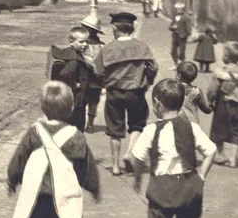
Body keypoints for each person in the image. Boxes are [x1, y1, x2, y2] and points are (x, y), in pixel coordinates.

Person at [7, 82, 101, 218]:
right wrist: (92, 186)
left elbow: (20, 156)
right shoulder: (76, 136)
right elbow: (86, 163)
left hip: (37, 187)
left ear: (43, 107)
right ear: (71, 109)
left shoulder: (35, 131)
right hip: (63, 189)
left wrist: (12, 177)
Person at [131, 79, 217, 218]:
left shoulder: (151, 131)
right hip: (190, 186)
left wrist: (137, 180)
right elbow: (211, 151)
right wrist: (202, 177)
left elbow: (138, 159)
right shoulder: (192, 127)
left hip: (162, 188)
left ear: (157, 104)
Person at [93, 11, 158, 176]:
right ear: (132, 28)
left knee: (114, 129)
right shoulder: (142, 47)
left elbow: (98, 71)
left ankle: (115, 167)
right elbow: (153, 68)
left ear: (115, 28)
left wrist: (106, 82)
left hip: (114, 93)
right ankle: (129, 153)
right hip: (136, 92)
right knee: (137, 124)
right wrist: (147, 81)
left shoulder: (107, 49)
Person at [209, 41, 238, 168]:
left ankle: (220, 154)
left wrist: (210, 100)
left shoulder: (220, 72)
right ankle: (233, 159)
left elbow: (212, 90)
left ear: (227, 55)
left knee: (218, 130)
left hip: (223, 106)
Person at [47, 26, 90, 131]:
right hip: (75, 99)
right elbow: (64, 74)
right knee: (76, 128)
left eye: (86, 42)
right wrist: (74, 83)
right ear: (71, 42)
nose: (85, 44)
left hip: (66, 99)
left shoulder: (67, 53)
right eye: (81, 42)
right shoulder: (74, 59)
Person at [79, 15, 105, 133]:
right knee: (88, 101)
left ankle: (88, 123)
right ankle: (87, 123)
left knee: (89, 102)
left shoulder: (99, 46)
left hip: (91, 78)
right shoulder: (101, 45)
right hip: (91, 79)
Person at [174, 61, 212, 126]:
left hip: (176, 122)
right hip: (192, 123)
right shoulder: (196, 92)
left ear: (179, 76)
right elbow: (206, 109)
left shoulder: (173, 88)